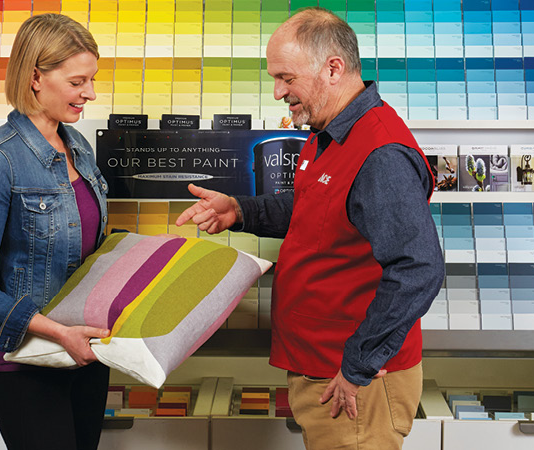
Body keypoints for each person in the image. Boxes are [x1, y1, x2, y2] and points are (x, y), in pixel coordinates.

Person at [175, 8, 444, 450]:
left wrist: (358, 366)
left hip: (353, 387)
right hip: (322, 367)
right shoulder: (330, 132)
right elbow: (315, 209)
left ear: (333, 69)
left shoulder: (381, 154)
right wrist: (238, 211)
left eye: (287, 78)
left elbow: (418, 269)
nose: (278, 92)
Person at [0, 13, 113, 450]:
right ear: (35, 77)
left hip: (87, 357)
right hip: (28, 367)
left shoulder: (78, 147)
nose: (90, 94)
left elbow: (86, 252)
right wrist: (59, 332)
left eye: (92, 80)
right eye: (78, 82)